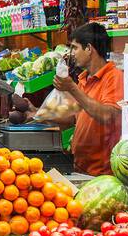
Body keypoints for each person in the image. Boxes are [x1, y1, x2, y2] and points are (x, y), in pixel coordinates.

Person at [51, 22, 124, 176]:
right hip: (81, 168)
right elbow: (73, 116)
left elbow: (108, 116)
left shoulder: (114, 77)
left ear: (89, 49)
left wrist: (72, 88)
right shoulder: (84, 79)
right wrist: (36, 114)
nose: (72, 53)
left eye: (75, 48)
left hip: (103, 173)